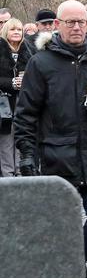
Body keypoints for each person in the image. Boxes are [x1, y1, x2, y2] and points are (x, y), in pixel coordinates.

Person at [13, 0, 87, 278]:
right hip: (55, 156)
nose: (77, 27)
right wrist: (27, 153)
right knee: (63, 221)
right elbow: (25, 114)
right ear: (58, 25)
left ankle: (75, 263)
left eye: (82, 22)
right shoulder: (41, 63)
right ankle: (76, 270)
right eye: (70, 22)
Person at [1, 18, 31, 177]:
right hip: (3, 104)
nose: (16, 32)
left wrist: (26, 80)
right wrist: (11, 82)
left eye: (19, 29)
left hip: (23, 103)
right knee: (6, 142)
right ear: (6, 31)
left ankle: (21, 175)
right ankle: (7, 176)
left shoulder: (29, 51)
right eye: (13, 29)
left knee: (22, 138)